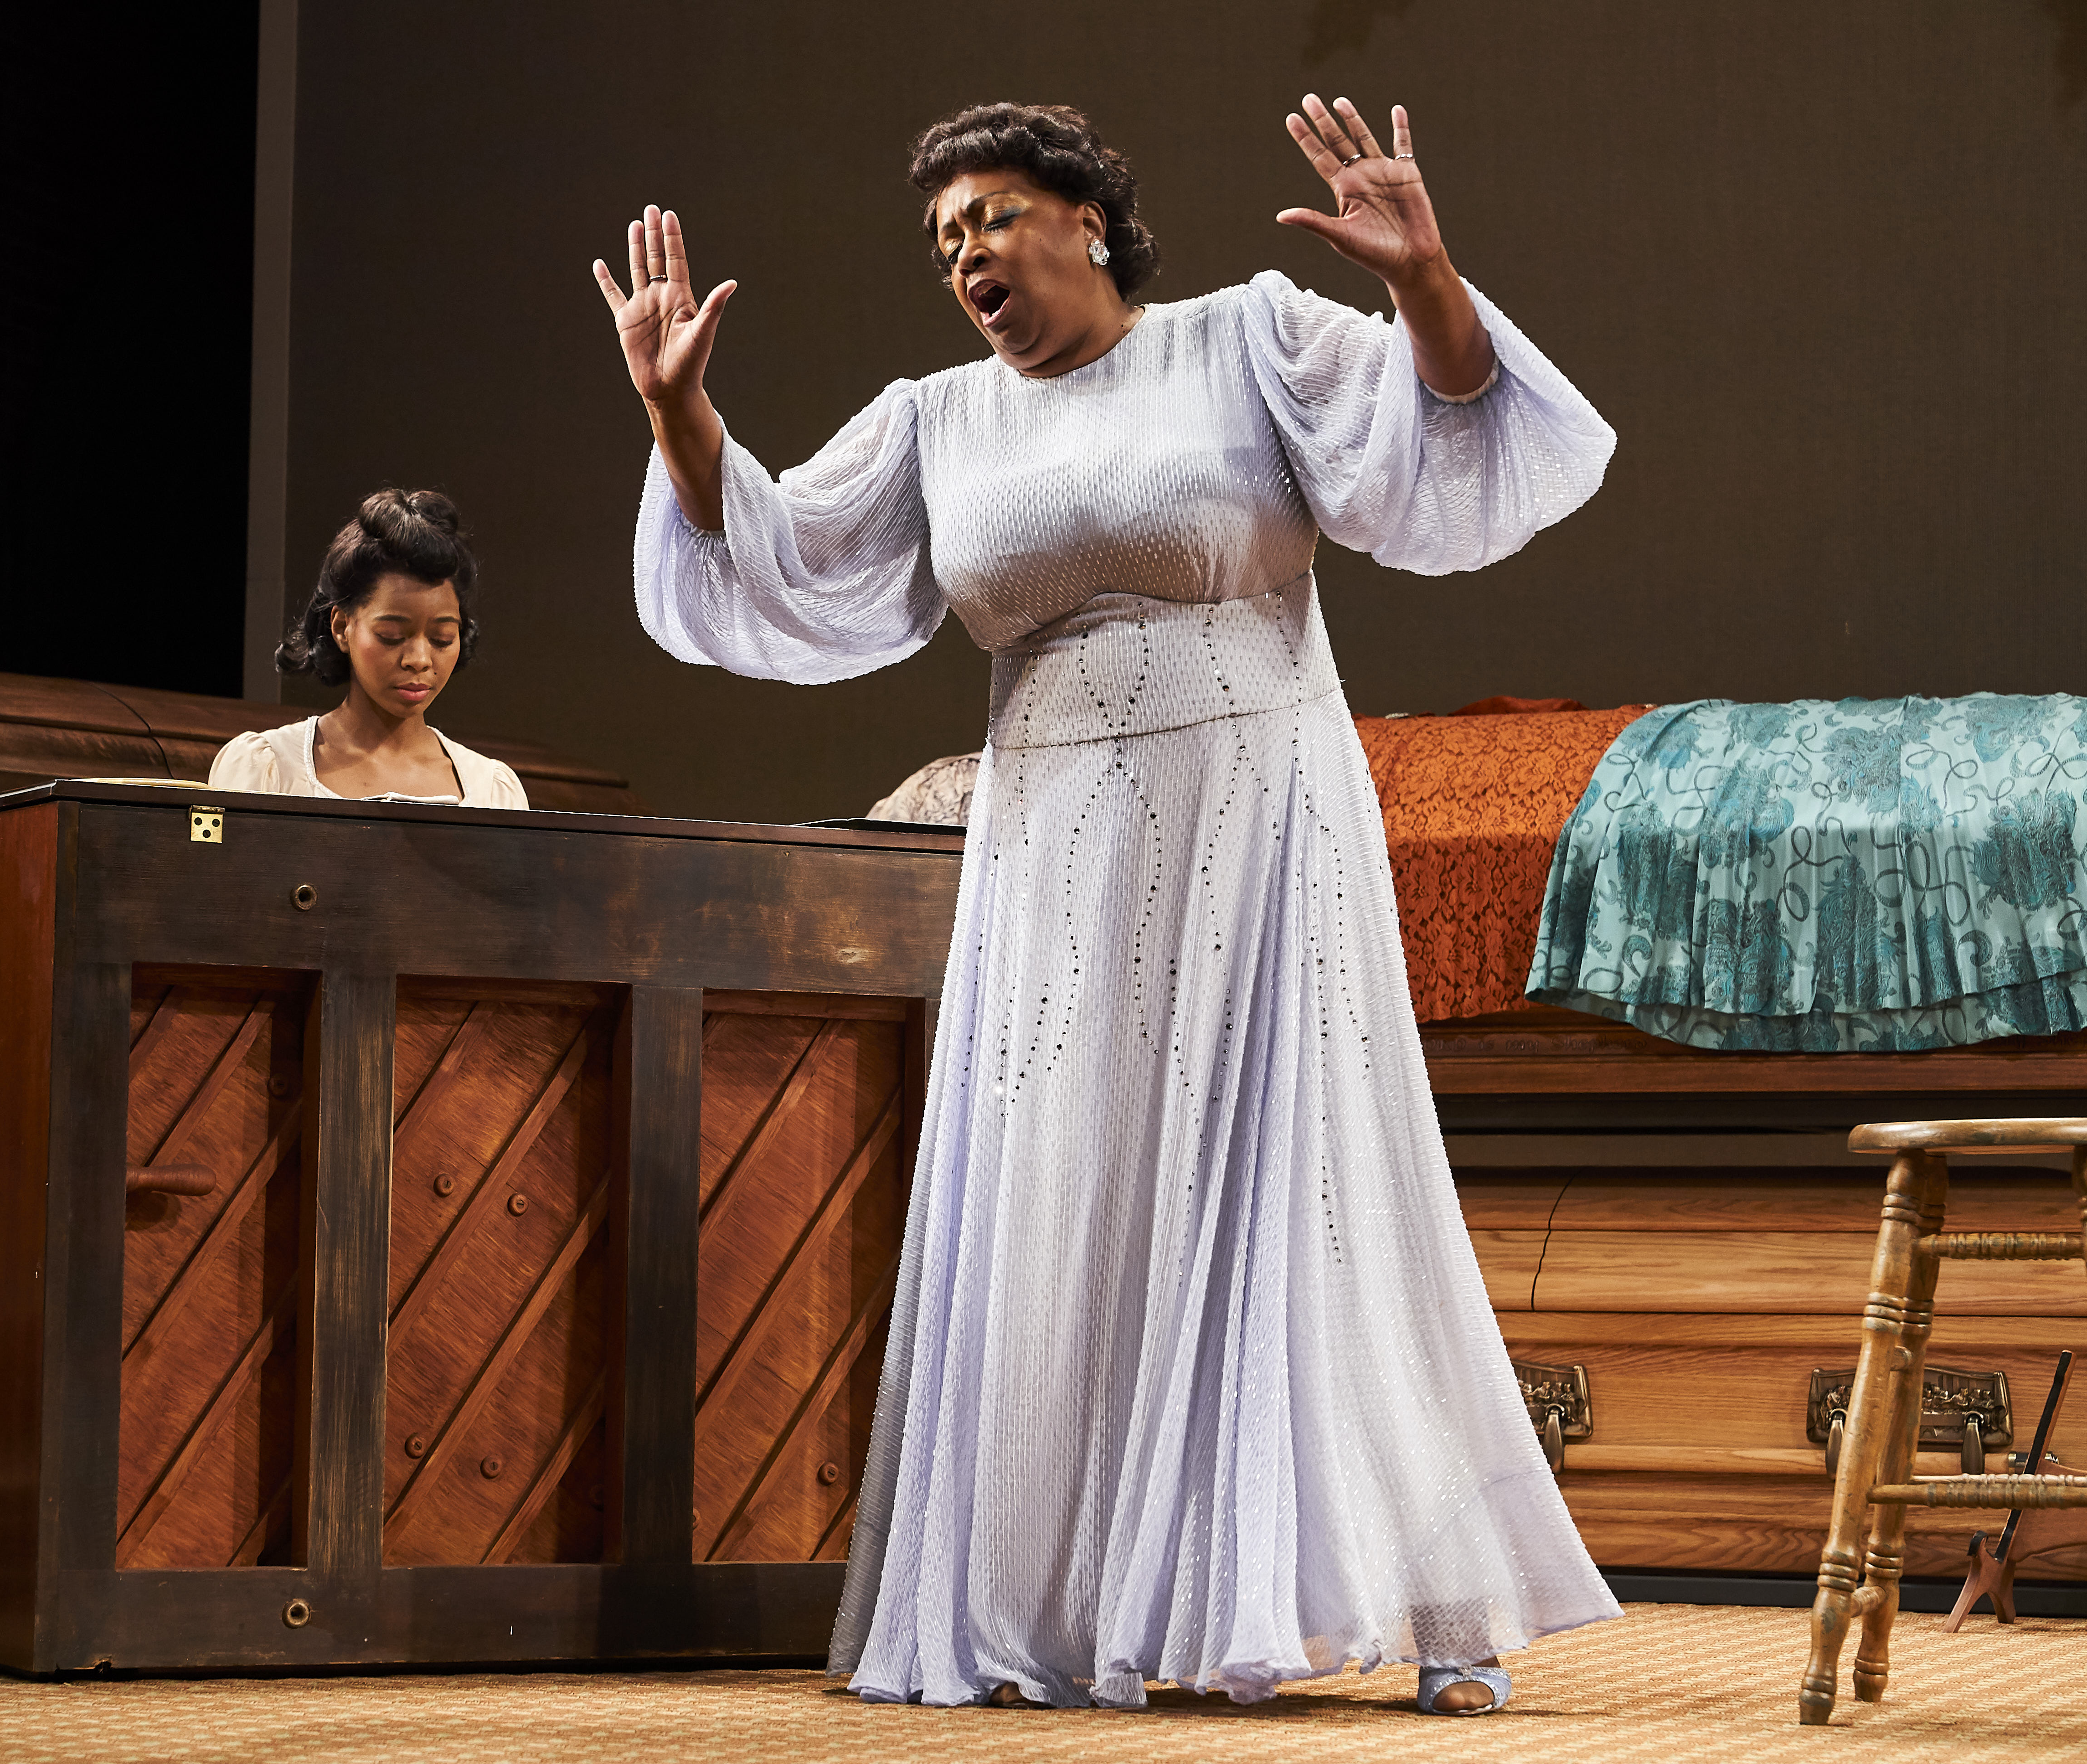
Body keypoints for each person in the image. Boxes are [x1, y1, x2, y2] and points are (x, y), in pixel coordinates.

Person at [598, 98, 1619, 1714]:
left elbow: (1443, 437)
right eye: (944, 238)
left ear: (1085, 218)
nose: (966, 255)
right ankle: (1076, 1606)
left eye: (992, 215)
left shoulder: (1243, 338)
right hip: (1054, 840)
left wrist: (1423, 277)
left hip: (1254, 805)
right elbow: (779, 559)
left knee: (1303, 1177)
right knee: (1067, 1195)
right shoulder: (937, 421)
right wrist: (681, 415)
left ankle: (1434, 1605)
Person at [211, 489, 527, 808]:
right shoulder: (269, 769)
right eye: (392, 636)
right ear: (341, 628)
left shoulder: (492, 790)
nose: (419, 660)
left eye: (442, 638)